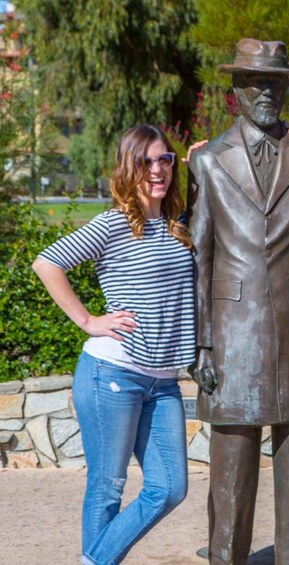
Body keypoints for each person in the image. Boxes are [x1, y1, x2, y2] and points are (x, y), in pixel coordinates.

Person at [186, 39, 289, 565]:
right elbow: (200, 254)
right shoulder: (210, 161)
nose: (267, 93)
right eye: (257, 84)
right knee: (230, 479)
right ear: (237, 90)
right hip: (233, 335)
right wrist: (204, 344)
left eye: (275, 85)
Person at [32, 124, 193, 564]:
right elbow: (47, 263)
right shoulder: (114, 223)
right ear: (128, 167)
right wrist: (87, 320)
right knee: (108, 485)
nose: (157, 170)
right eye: (146, 161)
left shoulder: (178, 224)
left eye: (165, 159)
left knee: (170, 487)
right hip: (113, 372)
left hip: (163, 380)